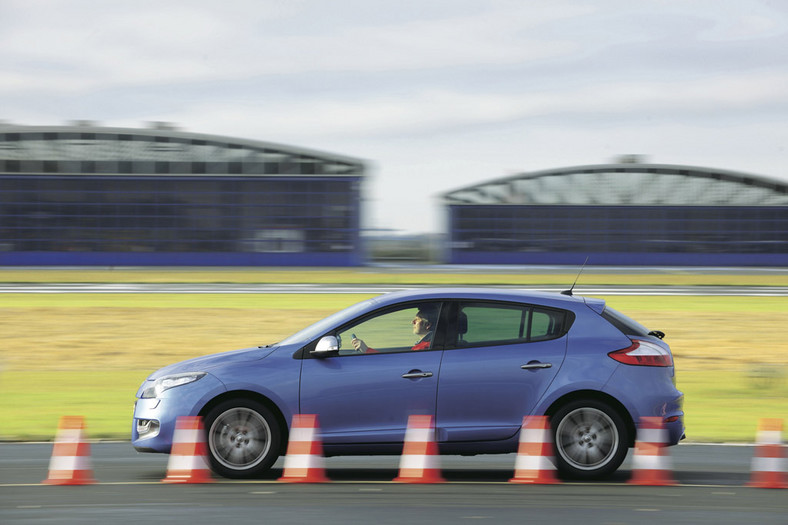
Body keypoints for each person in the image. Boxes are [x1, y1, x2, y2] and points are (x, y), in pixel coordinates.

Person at [351, 306, 438, 353]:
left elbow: (392, 366)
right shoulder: (428, 344)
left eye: (417, 319)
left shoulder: (423, 348)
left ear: (428, 325)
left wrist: (366, 349)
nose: (412, 322)